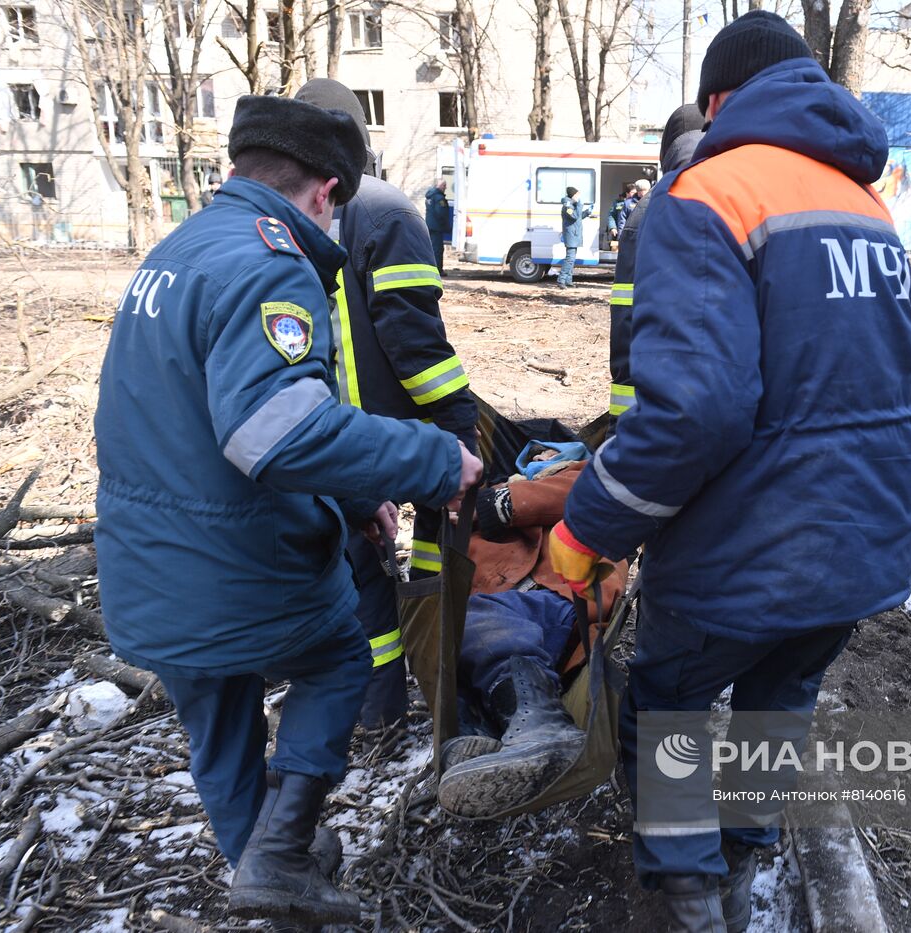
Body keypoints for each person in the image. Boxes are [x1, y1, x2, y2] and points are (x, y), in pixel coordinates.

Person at [548, 11, 911, 933]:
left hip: (745, 541)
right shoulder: (866, 206)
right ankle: (747, 859)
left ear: (719, 99)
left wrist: (588, 526)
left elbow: (695, 411)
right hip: (862, 537)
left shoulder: (707, 192)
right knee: (780, 695)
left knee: (670, 700)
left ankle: (686, 892)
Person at [94, 94, 483, 927]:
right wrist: (434, 458)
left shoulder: (177, 250)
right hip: (231, 564)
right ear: (323, 193)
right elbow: (275, 431)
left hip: (149, 568)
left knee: (222, 724)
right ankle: (281, 852)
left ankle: (269, 874)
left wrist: (355, 497)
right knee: (342, 655)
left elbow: (206, 417)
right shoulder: (269, 263)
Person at [294, 80, 478, 729]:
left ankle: (378, 709)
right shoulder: (386, 211)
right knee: (435, 546)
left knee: (360, 579)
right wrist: (458, 421)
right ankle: (441, 677)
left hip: (323, 437)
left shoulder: (289, 216)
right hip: (401, 433)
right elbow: (414, 341)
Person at [432, 459, 629, 818]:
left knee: (474, 621)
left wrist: (498, 503)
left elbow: (597, 489)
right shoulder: (473, 498)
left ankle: (543, 722)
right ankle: (480, 742)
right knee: (448, 640)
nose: (538, 460)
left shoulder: (586, 472)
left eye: (545, 455)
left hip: (557, 595)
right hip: (499, 609)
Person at [608, 105, 704, 421]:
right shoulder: (741, 196)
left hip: (657, 407)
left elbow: (627, 318)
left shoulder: (645, 212)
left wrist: (619, 433)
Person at [558, 186, 590, 288]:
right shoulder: (567, 206)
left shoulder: (572, 205)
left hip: (574, 234)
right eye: (577, 195)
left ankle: (568, 280)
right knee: (570, 258)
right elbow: (574, 216)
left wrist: (587, 212)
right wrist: (580, 205)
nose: (579, 197)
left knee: (572, 258)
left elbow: (578, 217)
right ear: (573, 195)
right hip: (571, 235)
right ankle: (561, 280)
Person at [425, 177, 450, 276]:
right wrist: (446, 225)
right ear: (438, 186)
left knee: (431, 248)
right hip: (436, 227)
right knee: (438, 249)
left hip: (430, 225)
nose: (445, 187)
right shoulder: (439, 198)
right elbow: (441, 213)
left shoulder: (429, 196)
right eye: (444, 185)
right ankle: (437, 270)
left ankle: (430, 268)